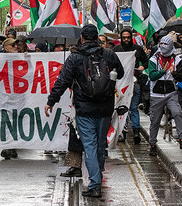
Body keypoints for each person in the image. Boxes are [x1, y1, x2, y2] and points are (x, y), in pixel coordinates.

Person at [45, 24, 124, 198]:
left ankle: (95, 184)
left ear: (81, 38)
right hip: (105, 108)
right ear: (97, 38)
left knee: (89, 146)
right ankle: (97, 178)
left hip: (84, 109)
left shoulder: (74, 58)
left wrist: (51, 101)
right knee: (100, 145)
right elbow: (122, 73)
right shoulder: (109, 55)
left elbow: (62, 81)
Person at [148, 35, 182, 156]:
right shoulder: (153, 59)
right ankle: (152, 144)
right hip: (156, 94)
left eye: (166, 45)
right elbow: (152, 76)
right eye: (162, 44)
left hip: (171, 93)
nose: (163, 47)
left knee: (177, 113)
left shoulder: (177, 60)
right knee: (155, 120)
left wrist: (174, 73)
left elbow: (181, 78)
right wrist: (163, 71)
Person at [113, 28, 148, 144]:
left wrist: (142, 67)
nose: (126, 40)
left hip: (134, 82)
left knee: (133, 108)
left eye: (128, 38)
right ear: (121, 38)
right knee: (122, 107)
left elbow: (146, 61)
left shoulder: (137, 49)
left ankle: (136, 131)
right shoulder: (116, 50)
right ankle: (122, 130)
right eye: (124, 38)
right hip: (121, 84)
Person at [0, 38, 19, 159]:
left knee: (16, 121)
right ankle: (7, 146)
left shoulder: (21, 57)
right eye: (13, 45)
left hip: (18, 95)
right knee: (6, 121)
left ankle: (12, 145)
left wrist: (28, 59)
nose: (16, 47)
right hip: (4, 95)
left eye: (16, 44)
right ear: (6, 48)